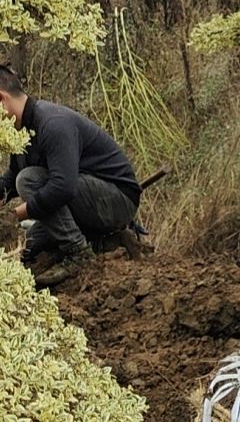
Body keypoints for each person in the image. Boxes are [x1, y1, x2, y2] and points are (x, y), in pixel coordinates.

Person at [0, 64, 141, 285]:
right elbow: (9, 178)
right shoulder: (20, 131)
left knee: (27, 179)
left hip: (117, 201)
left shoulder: (52, 124)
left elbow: (62, 187)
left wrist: (13, 216)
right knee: (29, 244)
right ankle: (105, 243)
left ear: (2, 100)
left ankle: (78, 253)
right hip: (86, 201)